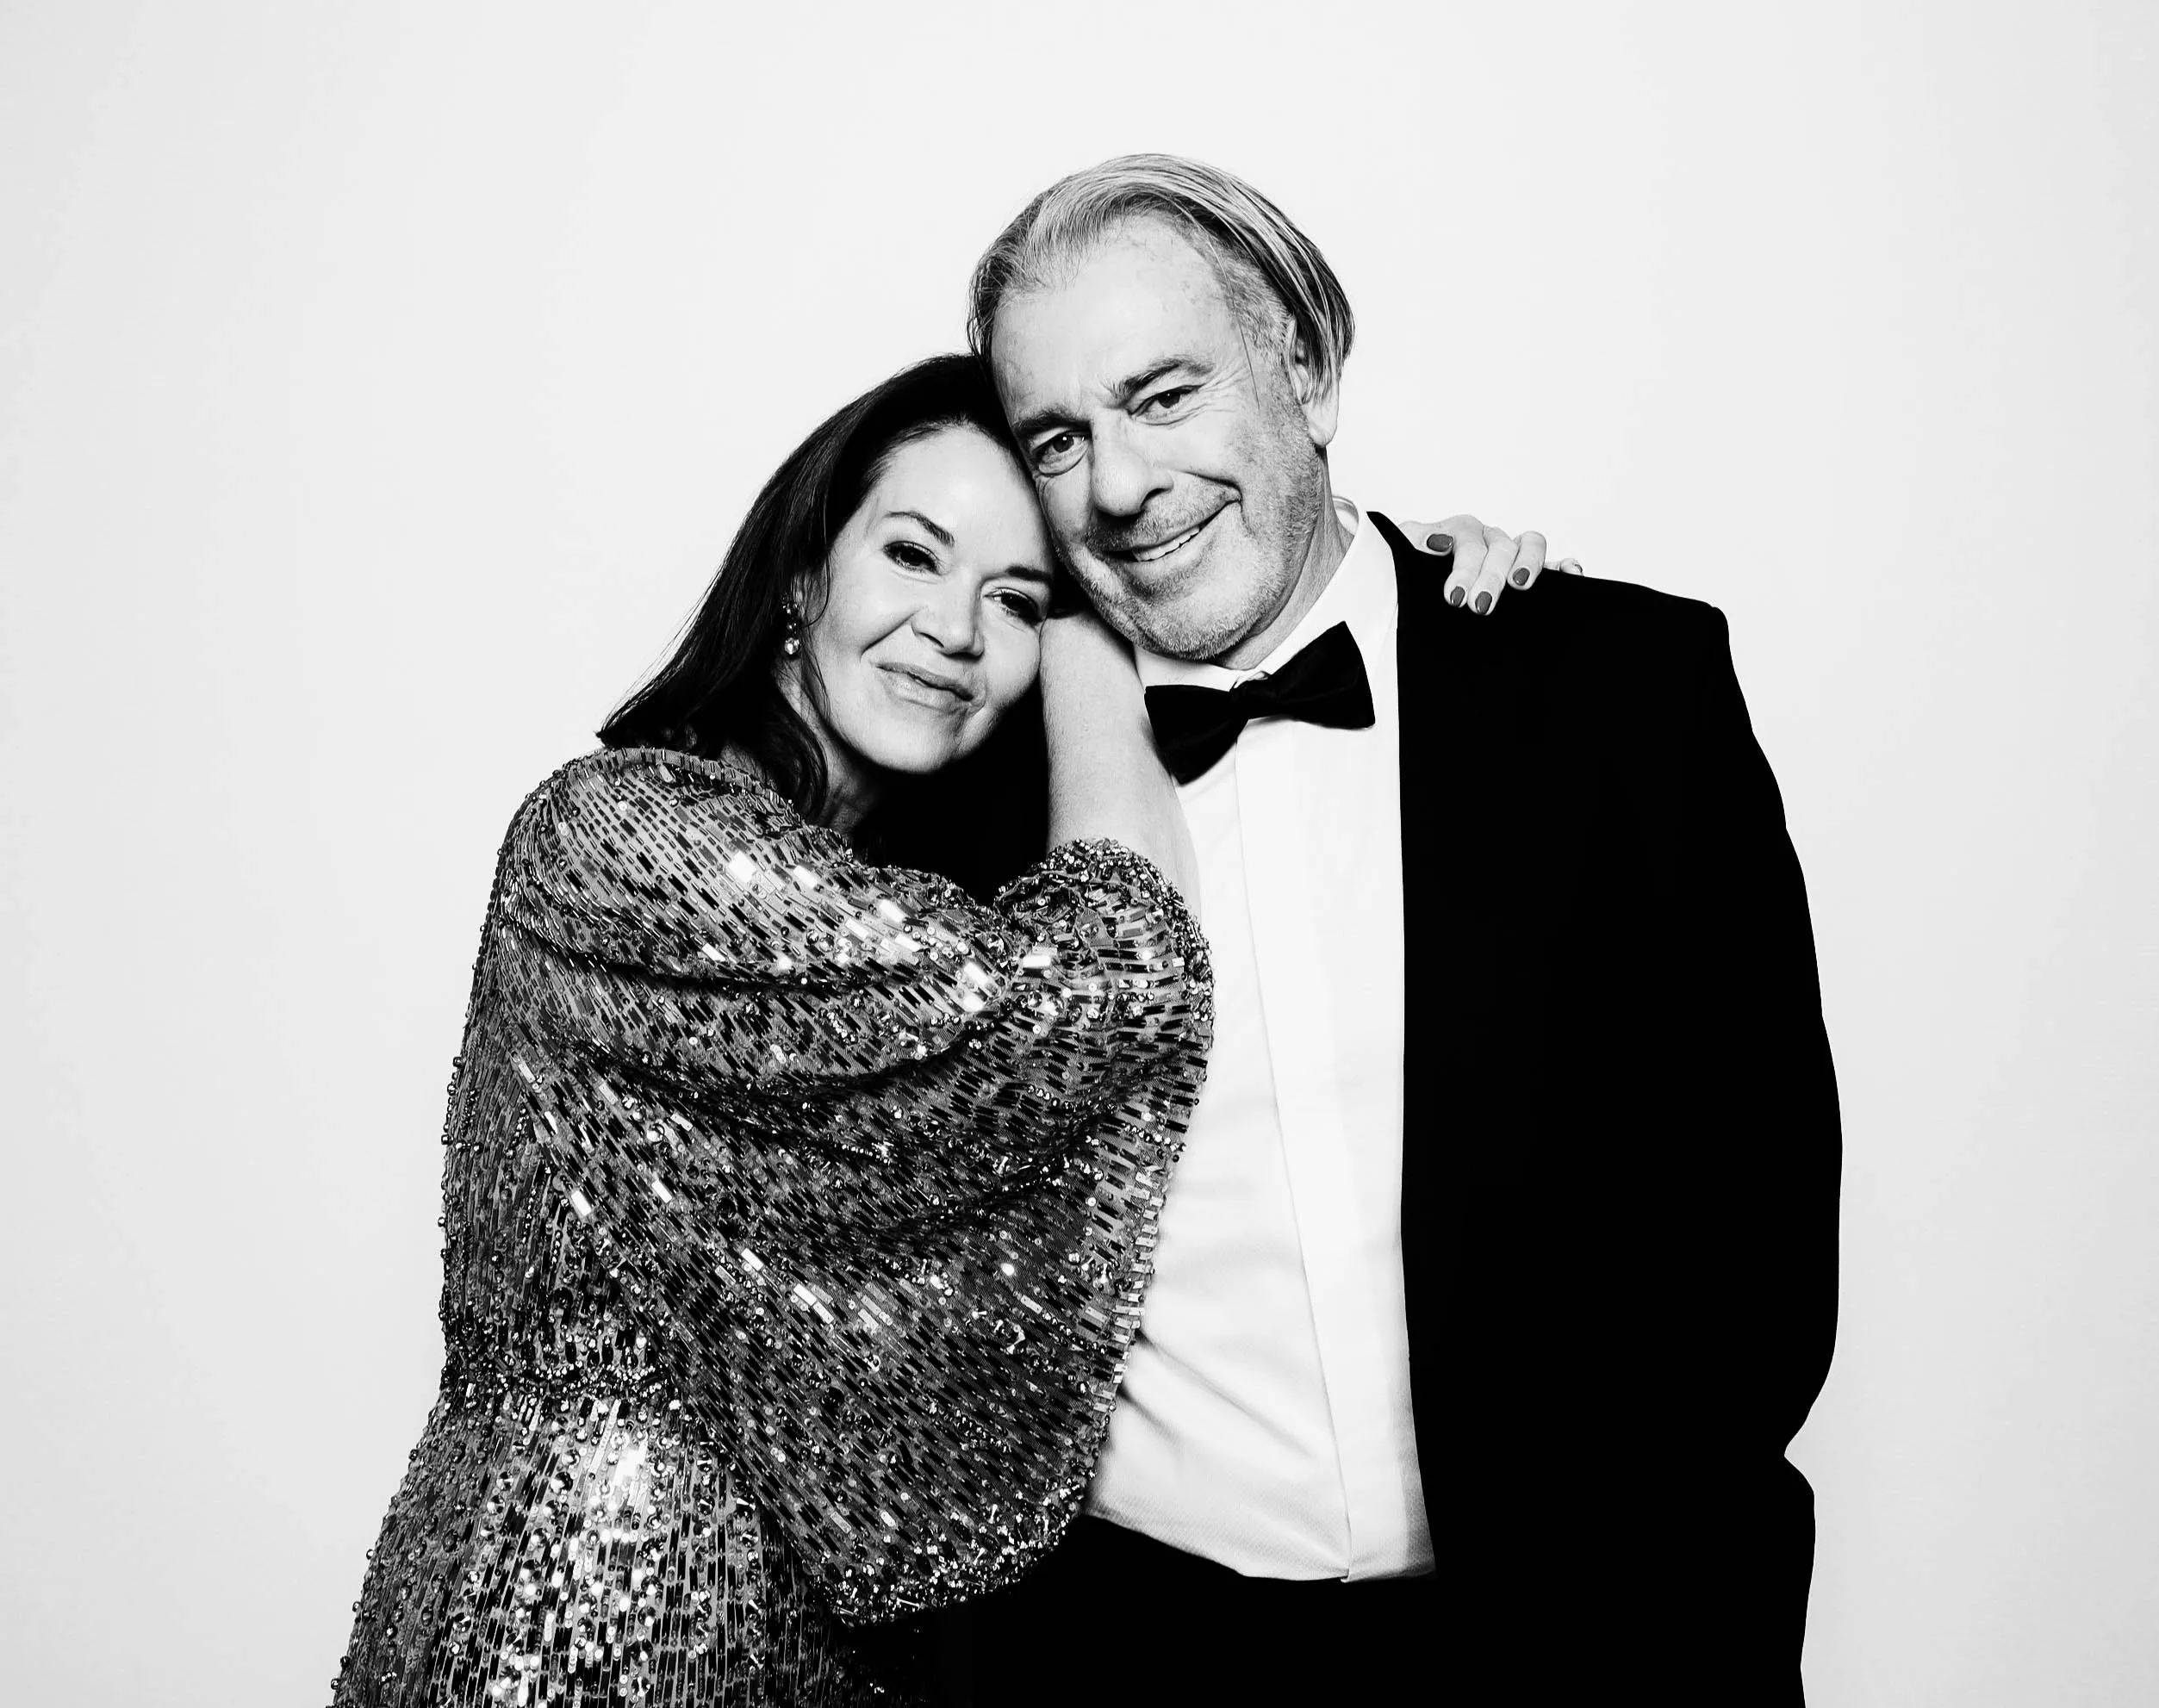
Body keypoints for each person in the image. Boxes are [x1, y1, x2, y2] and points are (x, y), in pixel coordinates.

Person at [328, 352, 1544, 1705]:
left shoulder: (904, 900)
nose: (958, 628)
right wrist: (1092, 630)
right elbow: (1114, 978)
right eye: (913, 553)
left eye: (1015, 598)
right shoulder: (616, 837)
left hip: (830, 1658)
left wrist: (1369, 587)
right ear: (801, 575)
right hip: (584, 1626)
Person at [963, 155, 1841, 1705]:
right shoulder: (977, 790)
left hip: (1593, 1639)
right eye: (1058, 437)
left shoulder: (1621, 692)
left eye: (1165, 395)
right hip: (1138, 1653)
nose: (1115, 483)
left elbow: (1759, 1235)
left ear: (1303, 365)